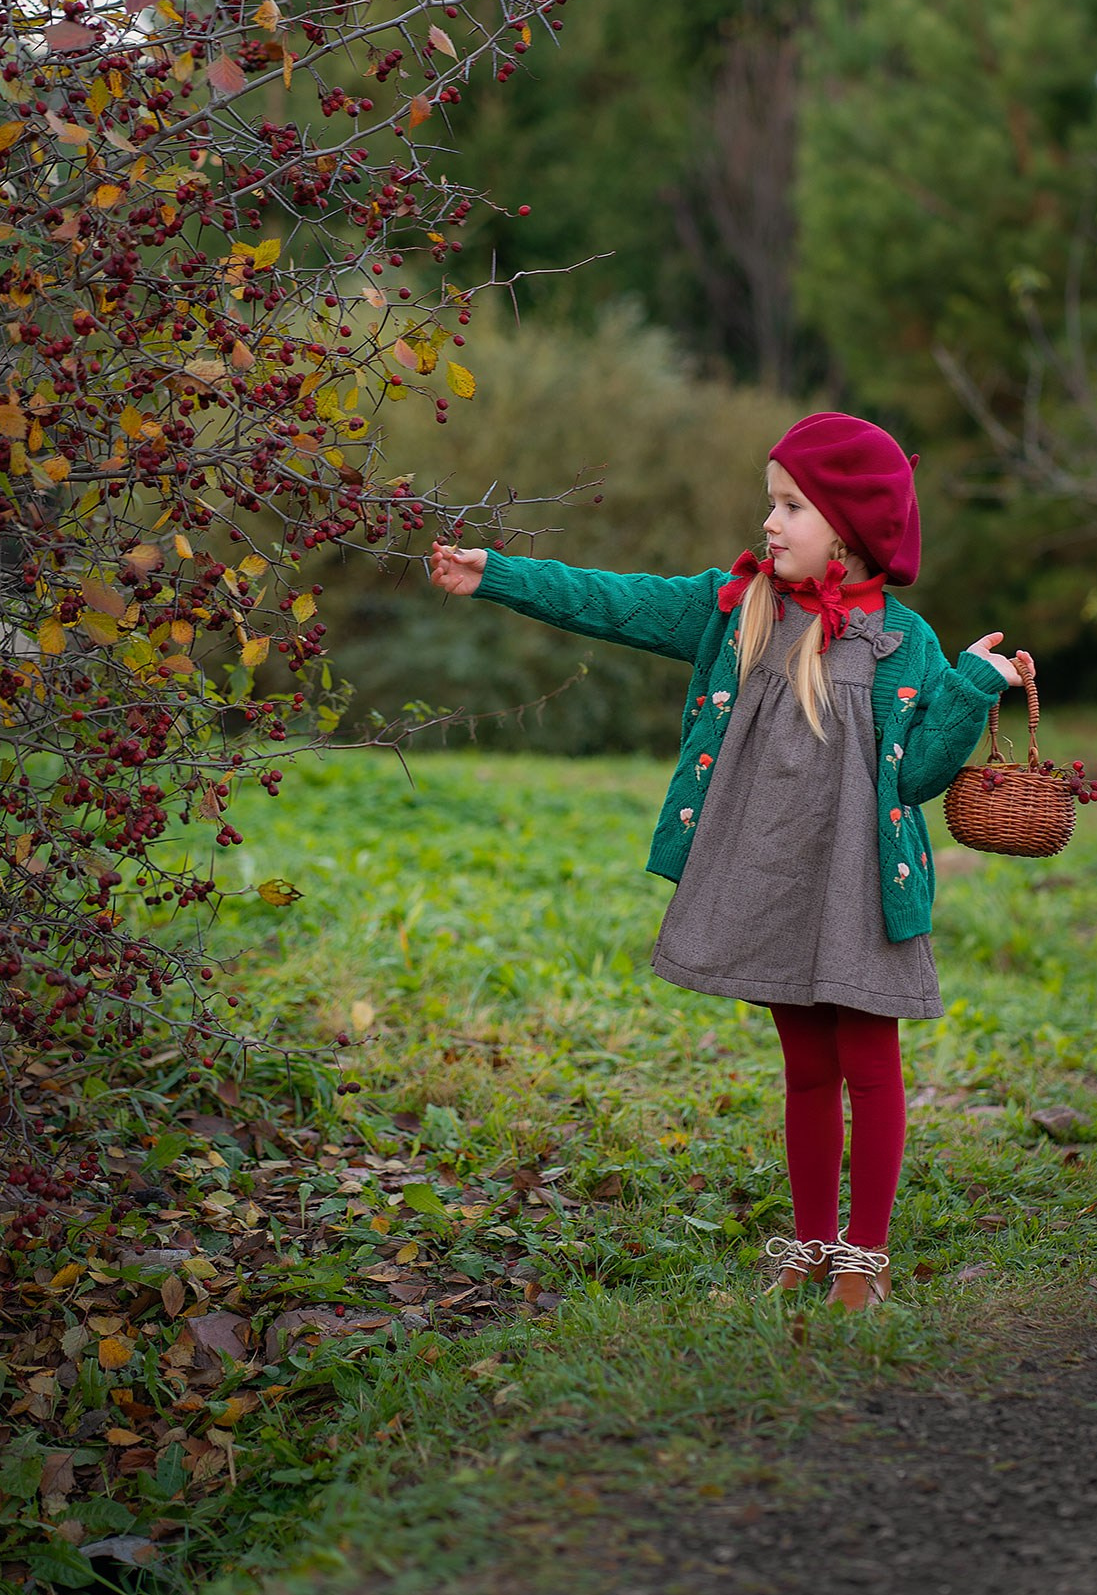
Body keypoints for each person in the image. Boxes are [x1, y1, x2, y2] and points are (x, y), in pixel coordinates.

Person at [428, 413, 1031, 1310]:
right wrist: (496, 575)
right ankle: (811, 1239)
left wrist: (975, 685)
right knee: (804, 1066)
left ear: (852, 528)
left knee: (868, 1057)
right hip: (768, 874)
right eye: (771, 503)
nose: (771, 523)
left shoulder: (906, 644)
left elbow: (924, 777)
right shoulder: (739, 608)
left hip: (859, 881)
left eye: (791, 506)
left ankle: (865, 1255)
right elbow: (614, 601)